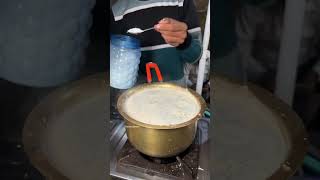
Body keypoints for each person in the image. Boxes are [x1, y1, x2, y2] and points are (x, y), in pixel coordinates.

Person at [110, 0, 203, 86]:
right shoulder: (116, 12)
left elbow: (196, 56)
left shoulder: (181, 2)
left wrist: (184, 41)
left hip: (175, 92)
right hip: (135, 95)